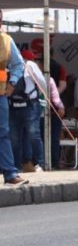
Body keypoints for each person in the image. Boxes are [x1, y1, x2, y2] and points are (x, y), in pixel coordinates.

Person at [0, 14, 29, 185]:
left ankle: (10, 174)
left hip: (1, 94)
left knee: (3, 133)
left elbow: (19, 64)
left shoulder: (6, 41)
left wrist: (12, 83)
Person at [9, 49, 44, 172]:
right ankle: (16, 166)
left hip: (30, 105)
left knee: (33, 134)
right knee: (13, 138)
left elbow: (42, 83)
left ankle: (40, 163)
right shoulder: (7, 66)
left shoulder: (30, 65)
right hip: (13, 106)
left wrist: (36, 97)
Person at [35, 55, 65, 170]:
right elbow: (56, 98)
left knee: (47, 138)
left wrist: (60, 107)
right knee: (45, 138)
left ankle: (49, 162)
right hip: (42, 112)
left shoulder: (47, 79)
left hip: (48, 112)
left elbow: (55, 97)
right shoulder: (47, 79)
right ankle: (50, 162)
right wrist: (61, 107)